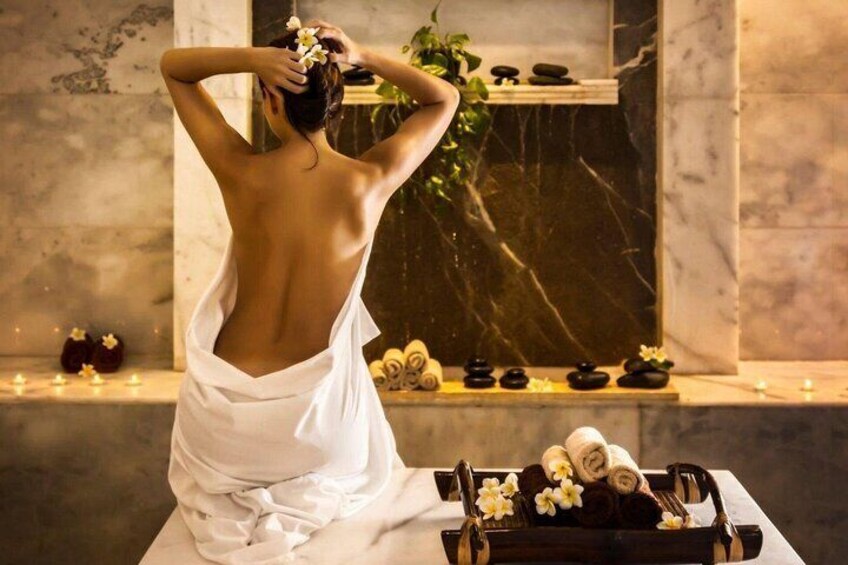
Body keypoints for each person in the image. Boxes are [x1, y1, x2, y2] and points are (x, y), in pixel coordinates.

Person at [160, 17, 459, 564]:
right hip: (315, 435)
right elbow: (443, 98)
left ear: (271, 98)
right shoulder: (368, 182)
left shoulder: (240, 172)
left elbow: (174, 69)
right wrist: (364, 55)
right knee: (353, 428)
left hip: (221, 435)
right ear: (335, 103)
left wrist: (252, 58)